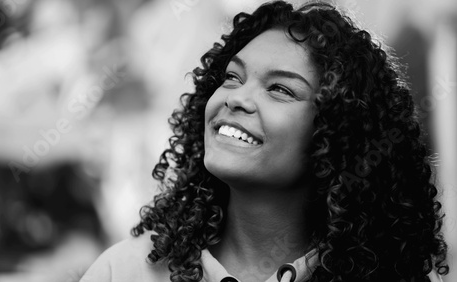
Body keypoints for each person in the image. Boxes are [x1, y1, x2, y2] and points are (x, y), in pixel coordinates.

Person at [80, 1, 449, 282]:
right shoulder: (125, 270)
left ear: (338, 132)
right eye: (231, 78)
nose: (237, 98)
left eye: (280, 89)